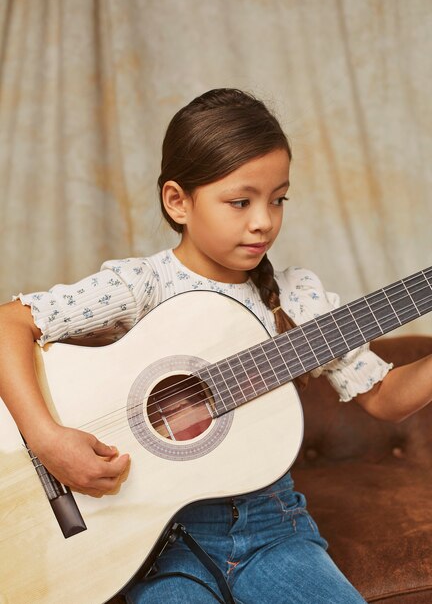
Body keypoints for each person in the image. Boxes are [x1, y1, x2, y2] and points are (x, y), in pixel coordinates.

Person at [0, 88, 431, 604]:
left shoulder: (295, 298)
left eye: (278, 199)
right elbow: (9, 324)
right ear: (178, 201)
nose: (264, 221)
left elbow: (384, 397)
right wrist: (48, 439)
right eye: (240, 202)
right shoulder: (143, 284)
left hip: (276, 533)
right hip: (160, 546)